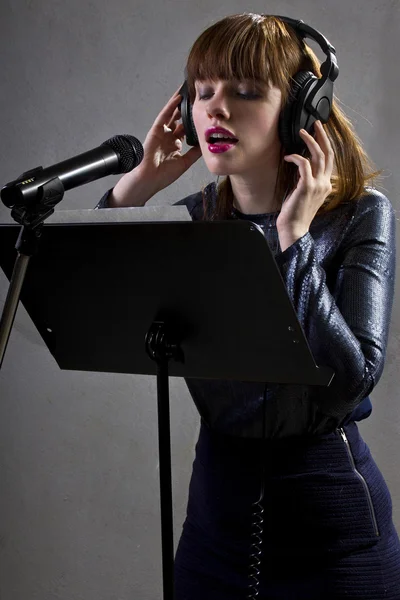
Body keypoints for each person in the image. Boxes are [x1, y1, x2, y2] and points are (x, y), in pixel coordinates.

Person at [96, 13, 400, 600]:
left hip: (333, 538)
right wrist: (138, 185)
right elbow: (101, 302)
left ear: (300, 109)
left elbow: (347, 384)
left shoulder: (362, 214)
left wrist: (295, 239)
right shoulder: (198, 220)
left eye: (245, 91)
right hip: (216, 524)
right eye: (203, 92)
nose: (215, 109)